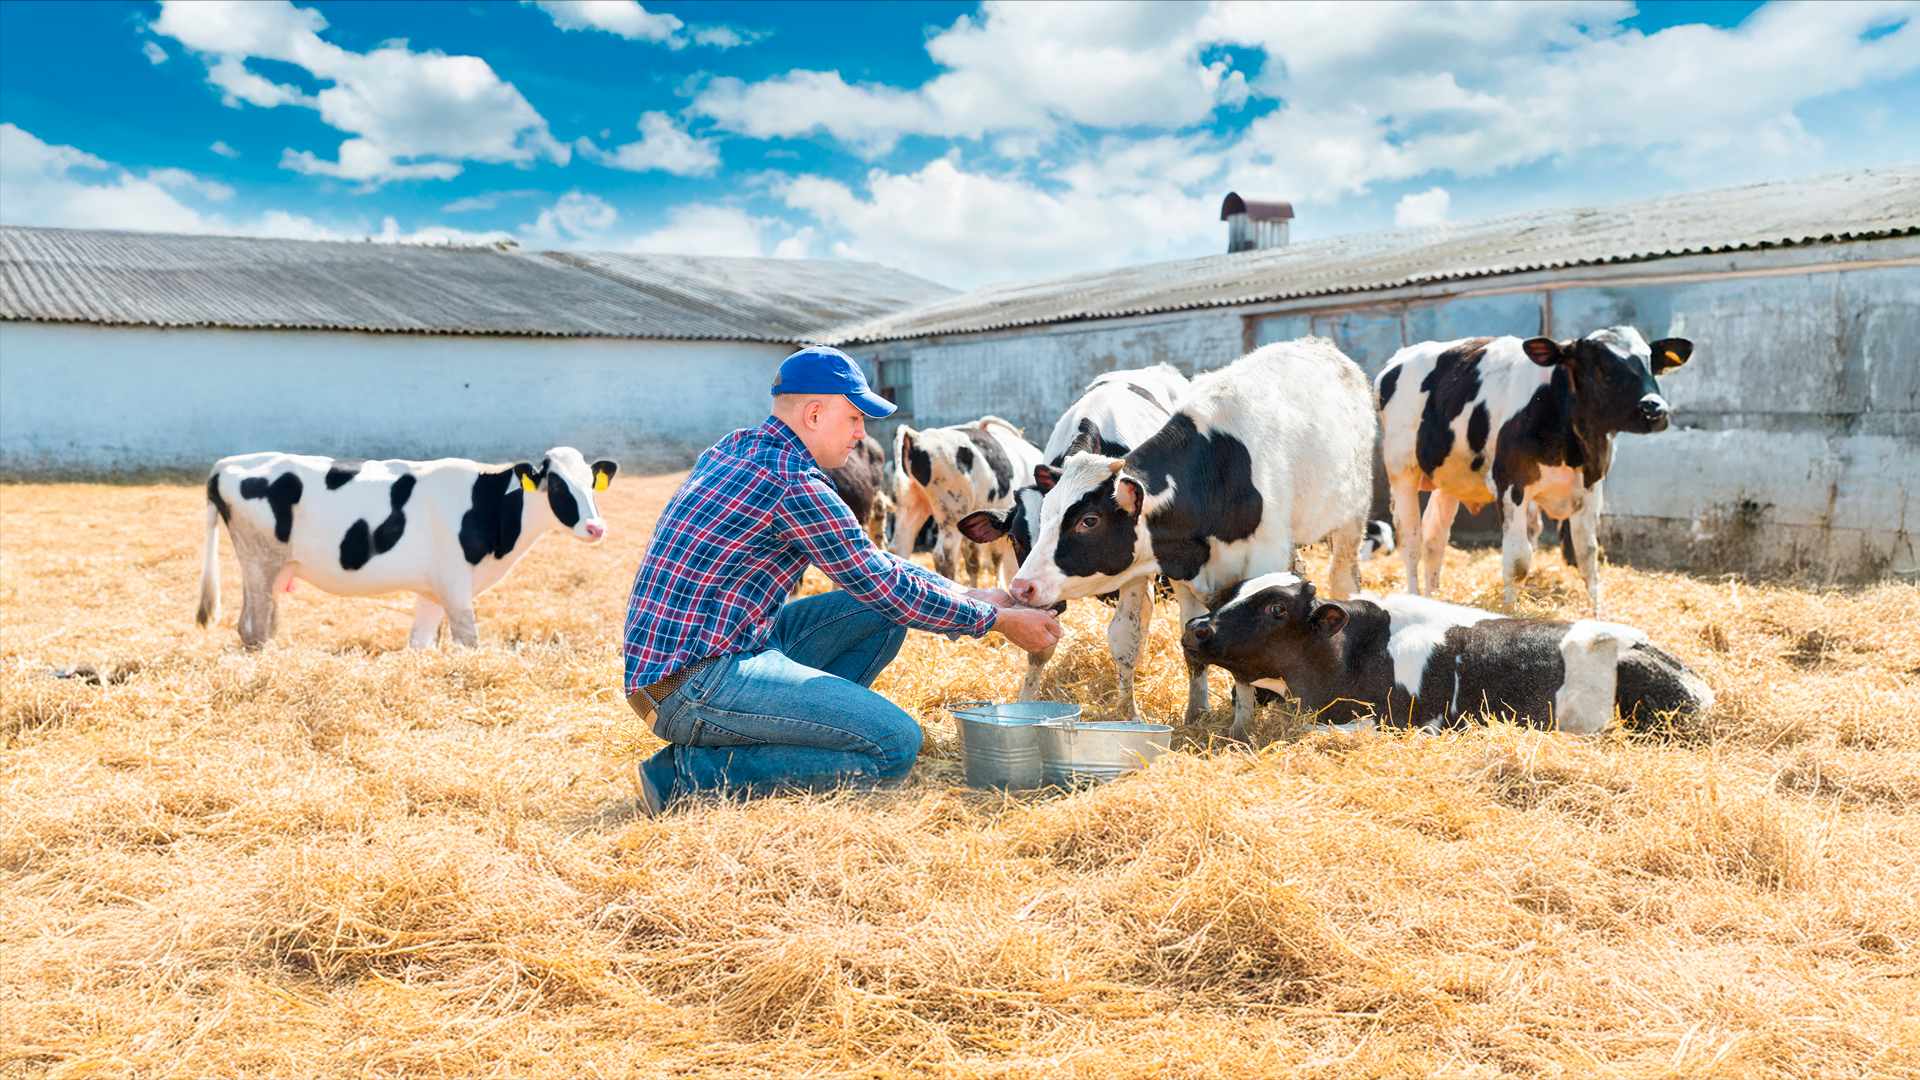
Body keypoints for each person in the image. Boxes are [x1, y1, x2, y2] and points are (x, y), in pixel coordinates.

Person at [620, 345, 1065, 815]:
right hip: (692, 683)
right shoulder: (794, 482)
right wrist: (995, 621)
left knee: (880, 614)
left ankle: (809, 730)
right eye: (853, 417)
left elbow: (871, 565)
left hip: (707, 654)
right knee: (894, 744)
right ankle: (686, 776)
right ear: (814, 414)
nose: (861, 433)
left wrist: (971, 594)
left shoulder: (736, 447)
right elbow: (885, 585)